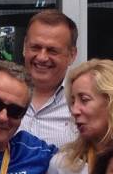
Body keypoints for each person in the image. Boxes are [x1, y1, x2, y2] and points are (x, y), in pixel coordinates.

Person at [19, 9, 79, 148]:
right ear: (24, 47)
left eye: (52, 50)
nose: (42, 57)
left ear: (72, 55)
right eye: (35, 47)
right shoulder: (2, 97)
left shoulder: (82, 105)